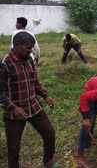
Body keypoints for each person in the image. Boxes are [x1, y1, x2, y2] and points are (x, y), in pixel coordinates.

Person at [0, 32, 57, 168]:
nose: (30, 51)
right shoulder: (4, 64)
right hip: (14, 113)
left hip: (33, 105)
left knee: (49, 133)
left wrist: (45, 95)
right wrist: (14, 108)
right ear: (17, 45)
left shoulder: (29, 60)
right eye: (28, 47)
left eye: (32, 48)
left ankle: (48, 161)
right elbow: (1, 92)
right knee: (13, 149)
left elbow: (35, 81)